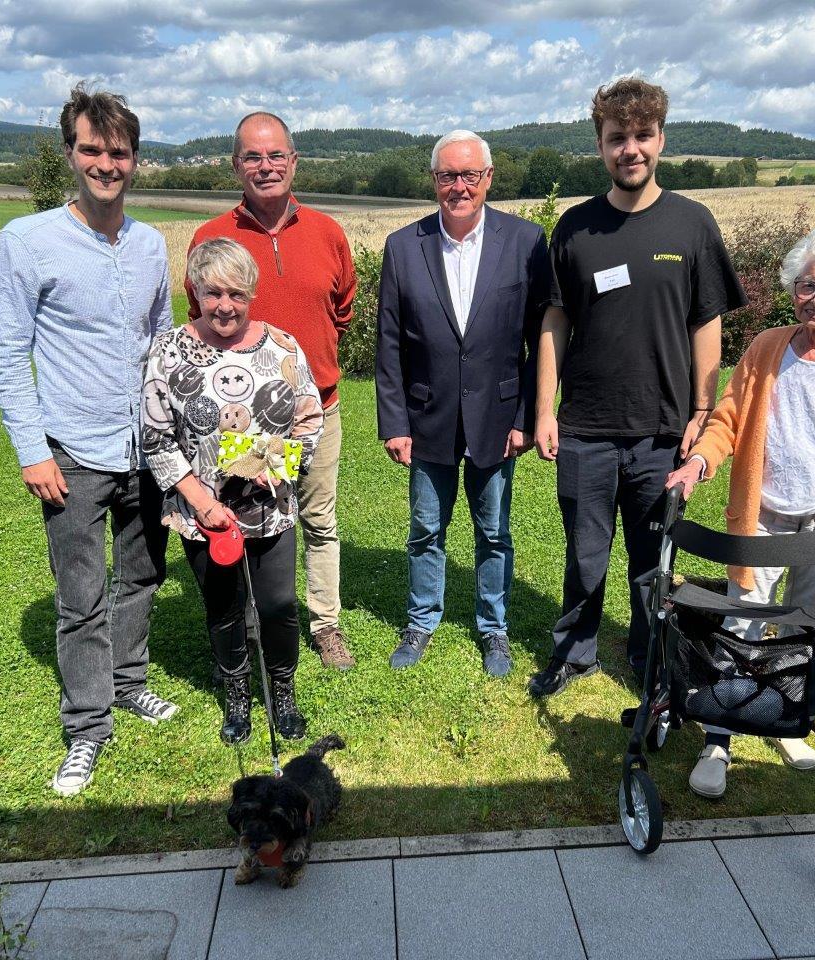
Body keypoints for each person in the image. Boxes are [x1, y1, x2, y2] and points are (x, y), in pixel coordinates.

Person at [666, 224, 815, 798]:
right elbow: (727, 419)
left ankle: (786, 719)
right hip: (763, 510)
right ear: (792, 288)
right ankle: (720, 735)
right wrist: (699, 463)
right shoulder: (766, 348)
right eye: (808, 286)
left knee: (805, 621)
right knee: (743, 618)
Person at [530, 77, 746, 698]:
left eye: (642, 136)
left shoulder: (692, 224)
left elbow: (708, 320)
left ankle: (652, 654)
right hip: (586, 428)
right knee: (584, 554)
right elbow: (554, 320)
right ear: (599, 145)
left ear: (661, 140)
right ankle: (575, 652)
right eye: (616, 138)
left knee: (654, 559)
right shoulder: (574, 228)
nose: (631, 149)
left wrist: (703, 409)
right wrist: (546, 409)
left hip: (662, 430)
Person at [0, 84, 174, 796]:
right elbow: (11, 356)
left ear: (135, 159)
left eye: (119, 151)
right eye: (92, 149)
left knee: (143, 576)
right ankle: (88, 726)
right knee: (81, 595)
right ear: (71, 152)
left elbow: (162, 345)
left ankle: (129, 682)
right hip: (70, 447)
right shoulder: (27, 240)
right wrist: (32, 449)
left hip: (147, 447)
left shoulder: (153, 244)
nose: (106, 163)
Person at [375, 130, 552, 676]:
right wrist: (394, 423)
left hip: (498, 419)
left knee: (494, 531)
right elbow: (389, 342)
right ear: (434, 181)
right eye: (448, 175)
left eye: (469, 175)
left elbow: (540, 337)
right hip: (428, 417)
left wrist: (526, 416)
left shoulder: (525, 242)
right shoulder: (405, 246)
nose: (459, 186)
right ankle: (422, 619)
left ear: (488, 178)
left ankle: (493, 628)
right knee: (426, 529)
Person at [187, 112, 356, 672]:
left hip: (317, 413)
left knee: (319, 520)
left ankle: (326, 624)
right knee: (251, 516)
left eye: (275, 155)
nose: (265, 167)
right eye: (253, 157)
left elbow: (342, 312)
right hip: (242, 424)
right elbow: (201, 321)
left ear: (293, 161)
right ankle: (252, 621)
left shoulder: (328, 233)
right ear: (236, 165)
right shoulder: (211, 237)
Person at [144, 238, 324, 743]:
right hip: (204, 515)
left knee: (277, 606)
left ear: (252, 294)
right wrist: (204, 504)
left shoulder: (284, 348)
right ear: (195, 291)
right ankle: (237, 696)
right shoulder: (167, 351)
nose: (225, 305)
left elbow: (310, 420)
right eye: (213, 292)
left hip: (270, 510)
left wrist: (280, 465)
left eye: (237, 294)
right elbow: (156, 439)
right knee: (224, 611)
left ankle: (282, 692)